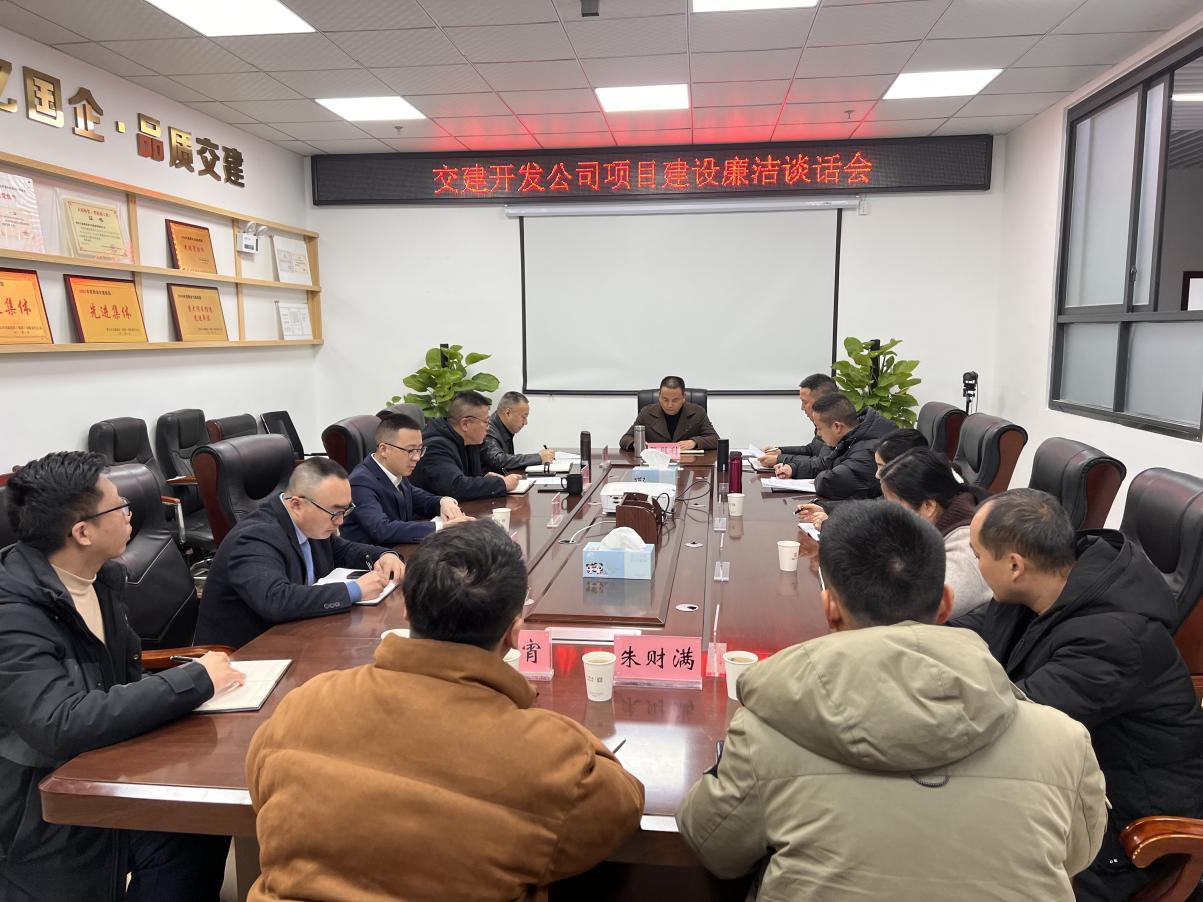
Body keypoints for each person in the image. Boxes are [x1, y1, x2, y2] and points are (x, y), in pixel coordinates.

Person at [677, 501, 1106, 901]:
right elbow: (1076, 855)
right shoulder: (1064, 740)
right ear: (945, 605)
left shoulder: (766, 731)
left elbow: (715, 849)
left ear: (830, 609)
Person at [246, 519, 645, 901]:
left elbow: (262, 789)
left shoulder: (302, 705)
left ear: (406, 610)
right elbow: (620, 808)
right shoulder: (549, 755)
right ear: (514, 634)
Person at [0, 451, 244, 902]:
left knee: (200, 822)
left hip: (101, 766)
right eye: (121, 507)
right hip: (38, 807)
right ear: (82, 532)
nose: (131, 515)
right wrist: (193, 681)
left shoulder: (100, 579)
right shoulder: (12, 613)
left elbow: (120, 682)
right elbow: (58, 723)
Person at [954, 488, 1203, 900]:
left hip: (1124, 828)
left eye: (978, 555)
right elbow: (970, 631)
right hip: (1065, 781)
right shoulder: (1038, 591)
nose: (976, 567)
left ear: (1014, 565)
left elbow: (1010, 721)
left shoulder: (1114, 639)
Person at [195, 457, 405, 650]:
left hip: (295, 635)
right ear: (296, 505)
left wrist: (384, 555)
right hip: (242, 655)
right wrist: (354, 590)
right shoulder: (254, 537)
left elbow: (344, 550)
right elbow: (276, 600)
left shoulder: (310, 524)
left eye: (345, 511)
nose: (340, 521)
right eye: (335, 512)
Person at [878, 448, 992, 617]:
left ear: (928, 506)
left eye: (894, 507)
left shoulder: (967, 552)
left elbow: (914, 612)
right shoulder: (931, 527)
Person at [341, 413, 471, 546]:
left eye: (419, 450)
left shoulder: (394, 471)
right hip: (375, 556)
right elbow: (382, 529)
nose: (417, 458)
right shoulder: (360, 482)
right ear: (384, 450)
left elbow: (421, 499)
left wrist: (444, 501)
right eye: (410, 450)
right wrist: (442, 527)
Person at [412, 391, 521, 501]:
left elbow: (468, 479)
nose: (488, 427)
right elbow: (455, 487)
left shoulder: (469, 441)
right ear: (465, 424)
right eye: (486, 422)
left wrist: (485, 479)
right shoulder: (436, 446)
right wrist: (502, 484)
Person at [791, 392, 897, 499]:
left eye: (819, 428)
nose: (818, 434)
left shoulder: (871, 448)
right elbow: (826, 463)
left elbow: (830, 483)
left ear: (837, 427)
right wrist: (793, 468)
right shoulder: (852, 436)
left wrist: (818, 479)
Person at [758, 373, 838, 471]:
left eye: (805, 402)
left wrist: (780, 459)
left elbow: (822, 464)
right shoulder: (823, 422)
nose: (802, 408)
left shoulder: (836, 426)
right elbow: (811, 450)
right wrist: (780, 451)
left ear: (822, 402)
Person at [619, 376, 718, 451]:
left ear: (684, 397)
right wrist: (636, 444)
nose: (669, 405)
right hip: (655, 464)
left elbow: (715, 439)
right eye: (665, 399)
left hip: (688, 464)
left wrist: (694, 442)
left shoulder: (697, 412)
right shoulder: (647, 413)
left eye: (675, 400)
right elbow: (625, 439)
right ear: (659, 396)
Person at [482, 391, 555, 474]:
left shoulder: (503, 427)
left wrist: (538, 456)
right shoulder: (487, 429)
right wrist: (538, 458)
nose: (525, 422)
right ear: (508, 413)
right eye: (523, 417)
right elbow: (498, 459)